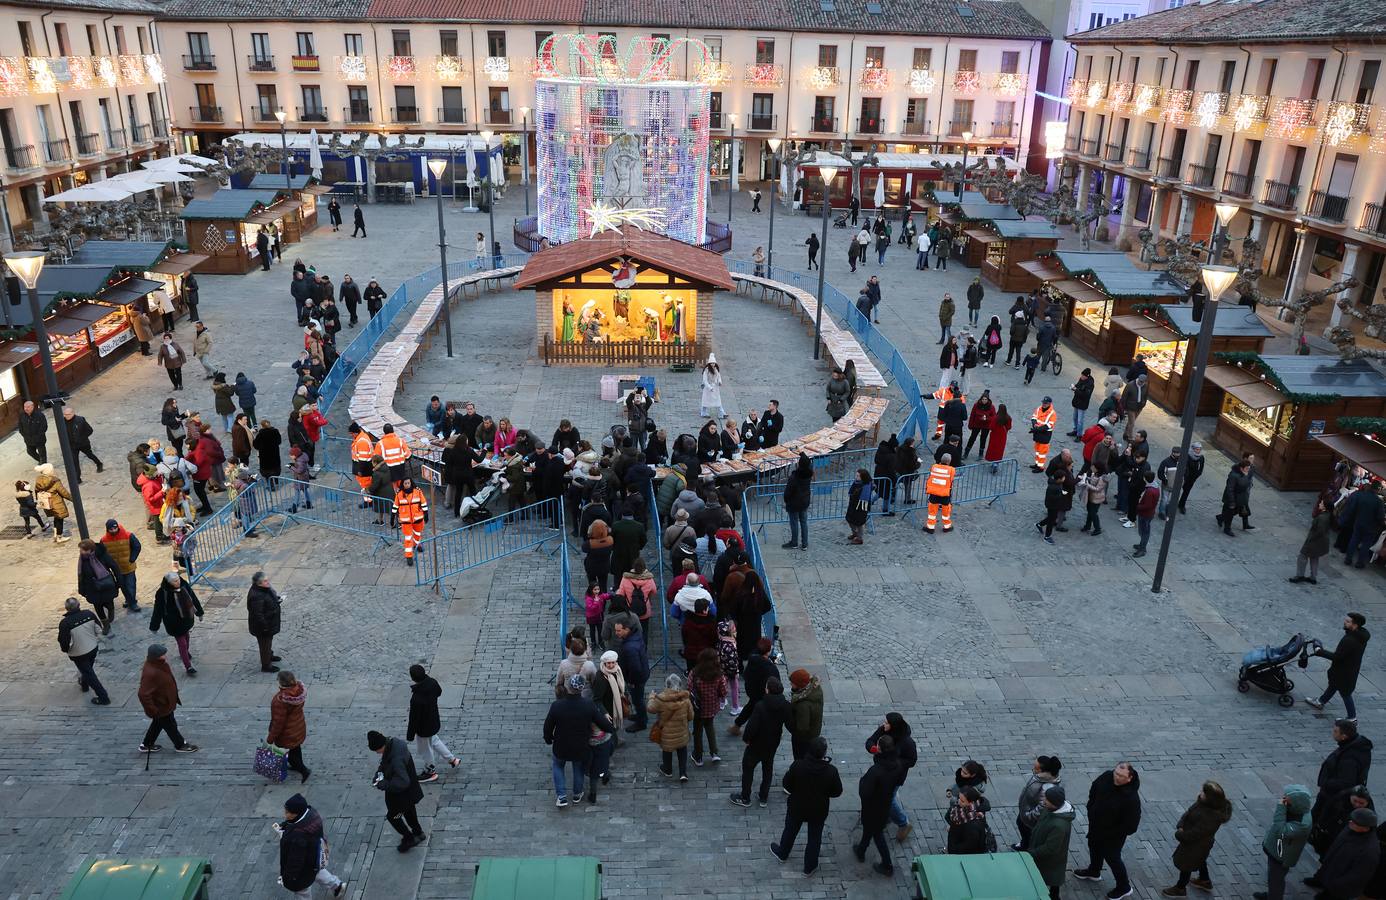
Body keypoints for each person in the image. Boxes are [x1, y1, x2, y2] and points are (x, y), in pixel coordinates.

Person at [772, 735, 843, 876]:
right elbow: (837, 791)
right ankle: (809, 866)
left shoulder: (798, 765)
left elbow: (787, 784)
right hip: (818, 809)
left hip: (797, 806)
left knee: (790, 830)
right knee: (814, 838)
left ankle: (783, 853)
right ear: (824, 753)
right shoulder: (831, 771)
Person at [1073, 761, 1141, 899]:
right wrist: (1091, 808)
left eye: (1121, 776)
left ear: (1130, 778)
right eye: (1116, 773)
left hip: (1113, 836)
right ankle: (1094, 871)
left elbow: (1131, 826)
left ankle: (1124, 887)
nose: (1117, 777)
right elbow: (1094, 790)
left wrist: (1111, 833)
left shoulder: (1131, 798)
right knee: (1093, 846)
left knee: (1113, 859)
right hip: (1096, 826)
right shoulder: (1106, 777)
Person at [1161, 781, 1233, 896]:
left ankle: (1180, 888)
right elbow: (1188, 813)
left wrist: (1180, 834)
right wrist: (1181, 825)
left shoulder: (1211, 817)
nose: (1200, 793)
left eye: (1203, 793)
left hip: (1197, 844)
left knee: (1187, 865)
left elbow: (1195, 834)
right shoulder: (1203, 803)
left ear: (1210, 798)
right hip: (1196, 845)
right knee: (1200, 859)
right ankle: (1205, 880)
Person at [730, 676, 790, 808]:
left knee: (748, 768)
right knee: (767, 768)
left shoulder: (761, 706)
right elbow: (788, 722)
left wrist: (746, 739)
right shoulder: (785, 705)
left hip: (757, 744)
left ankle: (745, 797)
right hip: (773, 742)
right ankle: (763, 796)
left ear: (768, 690)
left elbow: (752, 726)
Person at [276, 793, 345, 898]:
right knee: (317, 872)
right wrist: (286, 826)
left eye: (289, 812)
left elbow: (295, 861)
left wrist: (288, 878)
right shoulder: (310, 813)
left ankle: (337, 886)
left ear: (297, 813)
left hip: (302, 868)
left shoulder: (297, 837)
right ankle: (337, 886)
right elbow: (295, 822)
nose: (286, 815)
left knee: (302, 892)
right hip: (312, 859)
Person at [367, 729, 426, 850]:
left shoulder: (396, 760)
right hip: (410, 793)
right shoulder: (395, 744)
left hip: (401, 796)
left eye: (377, 750)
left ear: (381, 746)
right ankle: (418, 832)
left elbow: (403, 782)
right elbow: (385, 762)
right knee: (409, 811)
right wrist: (379, 772)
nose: (378, 753)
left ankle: (409, 838)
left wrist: (383, 784)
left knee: (393, 816)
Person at [1252, 784, 1313, 900]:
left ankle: (1274, 897)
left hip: (1281, 855)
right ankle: (1272, 895)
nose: (1283, 800)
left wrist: (1281, 807)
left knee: (1276, 880)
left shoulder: (1302, 824)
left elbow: (1280, 830)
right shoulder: (1299, 810)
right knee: (1273, 877)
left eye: (1286, 799)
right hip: (1278, 850)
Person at [1307, 611, 1371, 719]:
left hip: (1344, 671)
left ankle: (1352, 718)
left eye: (1348, 621)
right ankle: (1320, 701)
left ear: (1355, 625)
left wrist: (1319, 651)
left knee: (1345, 693)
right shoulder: (1359, 636)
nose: (1344, 622)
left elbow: (1337, 656)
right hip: (1348, 669)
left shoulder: (1350, 640)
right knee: (1333, 685)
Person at [1309, 808, 1381, 900]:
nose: (1350, 822)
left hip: (1339, 888)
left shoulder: (1369, 850)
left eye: (1354, 822)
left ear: (1365, 828)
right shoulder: (1351, 829)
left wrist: (1335, 884)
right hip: (1332, 875)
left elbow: (1357, 876)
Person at [856, 734, 902, 876]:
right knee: (870, 829)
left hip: (873, 807)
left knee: (876, 834)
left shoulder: (876, 771)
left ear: (880, 749)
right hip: (884, 804)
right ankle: (861, 849)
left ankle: (887, 865)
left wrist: (862, 782)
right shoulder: (897, 765)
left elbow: (865, 791)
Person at [138, 643, 198, 752]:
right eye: (162, 654)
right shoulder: (151, 672)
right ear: (156, 656)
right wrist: (152, 709)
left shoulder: (159, 664)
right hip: (161, 705)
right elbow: (143, 694)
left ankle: (146, 744)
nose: (165, 656)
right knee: (170, 725)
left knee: (158, 723)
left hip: (165, 702)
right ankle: (180, 745)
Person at [407, 663, 460, 780]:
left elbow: (413, 718)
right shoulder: (432, 682)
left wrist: (410, 735)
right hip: (433, 720)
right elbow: (439, 692)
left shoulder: (416, 698)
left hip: (423, 727)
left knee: (425, 749)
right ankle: (452, 759)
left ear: (413, 678)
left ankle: (430, 771)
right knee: (435, 741)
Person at [1026, 785, 1075, 900]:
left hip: (1049, 859)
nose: (1044, 800)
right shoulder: (1050, 809)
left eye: (1047, 799)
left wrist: (1031, 854)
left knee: (1051, 878)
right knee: (1052, 878)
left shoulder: (1059, 825)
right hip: (1041, 851)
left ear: (1054, 803)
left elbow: (1050, 848)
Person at [58, 596, 110, 705]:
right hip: (92, 648)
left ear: (66, 609)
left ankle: (103, 697)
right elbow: (98, 628)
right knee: (87, 670)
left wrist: (66, 650)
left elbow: (64, 641)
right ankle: (84, 684)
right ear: (79, 605)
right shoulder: (89, 614)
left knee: (89, 673)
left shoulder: (65, 623)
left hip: (78, 653)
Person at [647, 672, 695, 781]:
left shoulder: (660, 699)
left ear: (667, 685)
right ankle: (683, 773)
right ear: (679, 685)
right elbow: (691, 716)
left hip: (666, 733)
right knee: (682, 749)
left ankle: (667, 770)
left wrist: (651, 698)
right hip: (682, 732)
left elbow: (650, 709)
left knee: (667, 750)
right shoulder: (686, 699)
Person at [267, 670, 311, 782]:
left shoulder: (280, 701)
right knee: (296, 747)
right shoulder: (299, 691)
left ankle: (303, 770)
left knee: (291, 754)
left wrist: (270, 738)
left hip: (287, 732)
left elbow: (278, 722)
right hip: (298, 727)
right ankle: (298, 766)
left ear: (281, 683)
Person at [1014, 755, 1064, 851]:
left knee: (1028, 833)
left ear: (1042, 771)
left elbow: (1042, 807)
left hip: (1030, 818)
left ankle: (1026, 848)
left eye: (1035, 768)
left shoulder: (1048, 787)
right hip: (1026, 811)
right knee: (1020, 824)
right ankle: (1024, 843)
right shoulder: (1040, 777)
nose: (1033, 769)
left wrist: (1029, 815)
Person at [688, 648, 726, 765]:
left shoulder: (694, 673)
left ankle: (698, 756)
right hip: (711, 707)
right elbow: (723, 691)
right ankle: (714, 752)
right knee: (710, 727)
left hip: (698, 708)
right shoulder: (719, 674)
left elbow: (689, 689)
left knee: (698, 731)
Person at [1339, 478, 1386, 568]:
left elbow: (1354, 509)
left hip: (1359, 522)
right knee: (1366, 544)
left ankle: (1348, 559)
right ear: (1378, 489)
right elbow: (1380, 517)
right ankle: (1360, 562)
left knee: (1354, 540)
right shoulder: (1378, 502)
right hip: (1371, 526)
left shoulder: (1362, 496)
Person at [76, 539, 120, 634]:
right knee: (98, 607)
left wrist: (118, 582)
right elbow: (81, 575)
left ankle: (111, 610)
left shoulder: (102, 555)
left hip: (105, 586)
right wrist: (82, 589)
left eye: (83, 550)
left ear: (90, 550)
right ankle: (105, 625)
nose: (81, 552)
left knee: (109, 602)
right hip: (92, 588)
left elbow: (114, 567)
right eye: (80, 550)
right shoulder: (82, 559)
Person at [613, 620, 649, 732]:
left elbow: (635, 668)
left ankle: (641, 722)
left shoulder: (630, 647)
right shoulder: (635, 637)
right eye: (615, 630)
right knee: (638, 699)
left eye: (619, 630)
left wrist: (631, 681)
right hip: (642, 674)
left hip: (636, 679)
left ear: (627, 629)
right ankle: (640, 716)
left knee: (638, 700)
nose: (616, 633)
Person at [247, 571, 284, 673]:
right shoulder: (256, 596)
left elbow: (269, 598)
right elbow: (257, 614)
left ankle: (269, 656)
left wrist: (276, 600)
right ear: (259, 583)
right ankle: (266, 665)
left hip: (269, 623)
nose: (268, 582)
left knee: (268, 643)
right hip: (263, 627)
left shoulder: (263, 589)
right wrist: (265, 627)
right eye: (265, 581)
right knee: (264, 646)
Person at [392, 477, 428, 567]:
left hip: (418, 518)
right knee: (408, 538)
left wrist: (426, 513)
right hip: (406, 521)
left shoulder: (418, 492)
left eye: (408, 483)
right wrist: (392, 517)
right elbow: (395, 506)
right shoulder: (399, 494)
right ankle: (409, 556)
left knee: (417, 534)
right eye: (405, 483)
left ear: (411, 483)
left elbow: (423, 503)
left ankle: (417, 545)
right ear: (403, 484)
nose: (407, 485)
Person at [788, 669, 823, 760]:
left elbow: (802, 728)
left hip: (803, 739)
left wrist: (789, 723)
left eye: (793, 683)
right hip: (814, 733)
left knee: (800, 759)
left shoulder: (802, 705)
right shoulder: (815, 689)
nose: (791, 684)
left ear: (800, 685)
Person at [1216, 457, 1254, 536]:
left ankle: (1221, 517)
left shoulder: (1248, 472)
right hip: (1232, 497)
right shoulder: (1234, 475)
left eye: (1249, 468)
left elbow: (1248, 482)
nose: (1248, 469)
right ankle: (1227, 529)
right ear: (1241, 468)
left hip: (1242, 497)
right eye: (1247, 468)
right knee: (1230, 513)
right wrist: (1232, 501)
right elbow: (1230, 489)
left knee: (1237, 511)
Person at [62, 406, 102, 479]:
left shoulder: (80, 420)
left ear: (73, 413)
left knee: (90, 455)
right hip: (72, 445)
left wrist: (81, 438)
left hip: (83, 444)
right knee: (75, 461)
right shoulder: (62, 421)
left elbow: (90, 430)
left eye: (68, 414)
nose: (66, 416)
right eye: (64, 414)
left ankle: (99, 464)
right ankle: (78, 478)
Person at [923, 452, 956, 535]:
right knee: (946, 511)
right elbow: (951, 480)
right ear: (949, 462)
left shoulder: (934, 467)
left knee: (932, 511)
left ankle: (930, 527)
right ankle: (947, 527)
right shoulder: (951, 470)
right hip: (945, 493)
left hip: (934, 493)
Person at [1132, 471, 1159, 558]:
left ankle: (1142, 549)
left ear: (1145, 478)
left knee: (1144, 532)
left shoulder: (1150, 491)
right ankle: (1141, 545)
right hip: (1148, 513)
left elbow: (1147, 505)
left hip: (1145, 514)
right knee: (1143, 531)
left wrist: (1138, 507)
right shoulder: (1155, 487)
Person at [845, 468, 874, 545]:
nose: (856, 477)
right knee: (849, 519)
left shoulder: (866, 486)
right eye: (856, 475)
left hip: (861, 506)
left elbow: (864, 497)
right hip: (853, 504)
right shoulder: (856, 483)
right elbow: (851, 492)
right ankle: (855, 533)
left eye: (858, 476)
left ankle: (859, 538)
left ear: (863, 477)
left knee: (859, 522)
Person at [1030, 398, 1058, 472]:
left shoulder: (1052, 413)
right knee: (1037, 450)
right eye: (1043, 403)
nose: (1043, 404)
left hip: (1045, 434)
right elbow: (1034, 417)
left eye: (1045, 403)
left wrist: (1037, 428)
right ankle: (1037, 464)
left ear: (1049, 404)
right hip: (1038, 433)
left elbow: (1049, 425)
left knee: (1042, 452)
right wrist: (1034, 424)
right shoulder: (1039, 408)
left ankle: (1040, 467)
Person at [1122, 375, 1149, 442]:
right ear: (1138, 379)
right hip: (1130, 407)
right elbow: (1124, 396)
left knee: (1130, 422)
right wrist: (1124, 407)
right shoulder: (1130, 385)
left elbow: (1146, 395)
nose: (1141, 383)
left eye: (1142, 382)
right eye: (1140, 381)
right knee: (1132, 423)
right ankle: (1130, 437)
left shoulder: (1145, 386)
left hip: (1139, 407)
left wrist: (1144, 404)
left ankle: (1125, 434)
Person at [700, 354, 724, 419]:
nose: (713, 364)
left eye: (714, 363)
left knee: (718, 400)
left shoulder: (716, 370)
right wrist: (709, 387)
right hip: (708, 389)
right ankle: (703, 412)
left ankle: (721, 412)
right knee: (706, 401)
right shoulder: (706, 371)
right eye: (711, 363)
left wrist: (719, 382)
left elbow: (719, 377)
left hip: (715, 388)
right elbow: (705, 380)